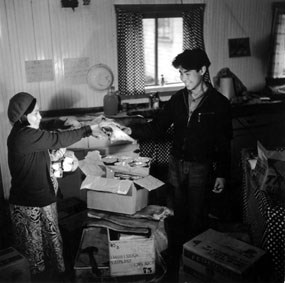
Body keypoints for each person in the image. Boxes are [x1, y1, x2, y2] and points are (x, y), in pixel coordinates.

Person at [129, 48, 233, 278]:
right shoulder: (178, 99)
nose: (183, 79)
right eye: (181, 74)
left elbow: (224, 143)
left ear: (203, 70)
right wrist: (129, 130)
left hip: (200, 167)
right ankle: (174, 261)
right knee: (174, 213)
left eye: (187, 73)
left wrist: (222, 174)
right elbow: (157, 128)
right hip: (176, 164)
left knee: (197, 216)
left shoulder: (219, 103)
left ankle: (195, 265)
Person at [7, 92, 105, 281]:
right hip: (29, 204)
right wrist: (88, 129)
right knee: (34, 251)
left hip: (44, 198)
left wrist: (61, 122)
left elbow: (45, 126)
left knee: (51, 244)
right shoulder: (24, 136)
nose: (40, 116)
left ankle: (54, 274)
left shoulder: (27, 130)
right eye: (35, 113)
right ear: (22, 117)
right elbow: (55, 140)